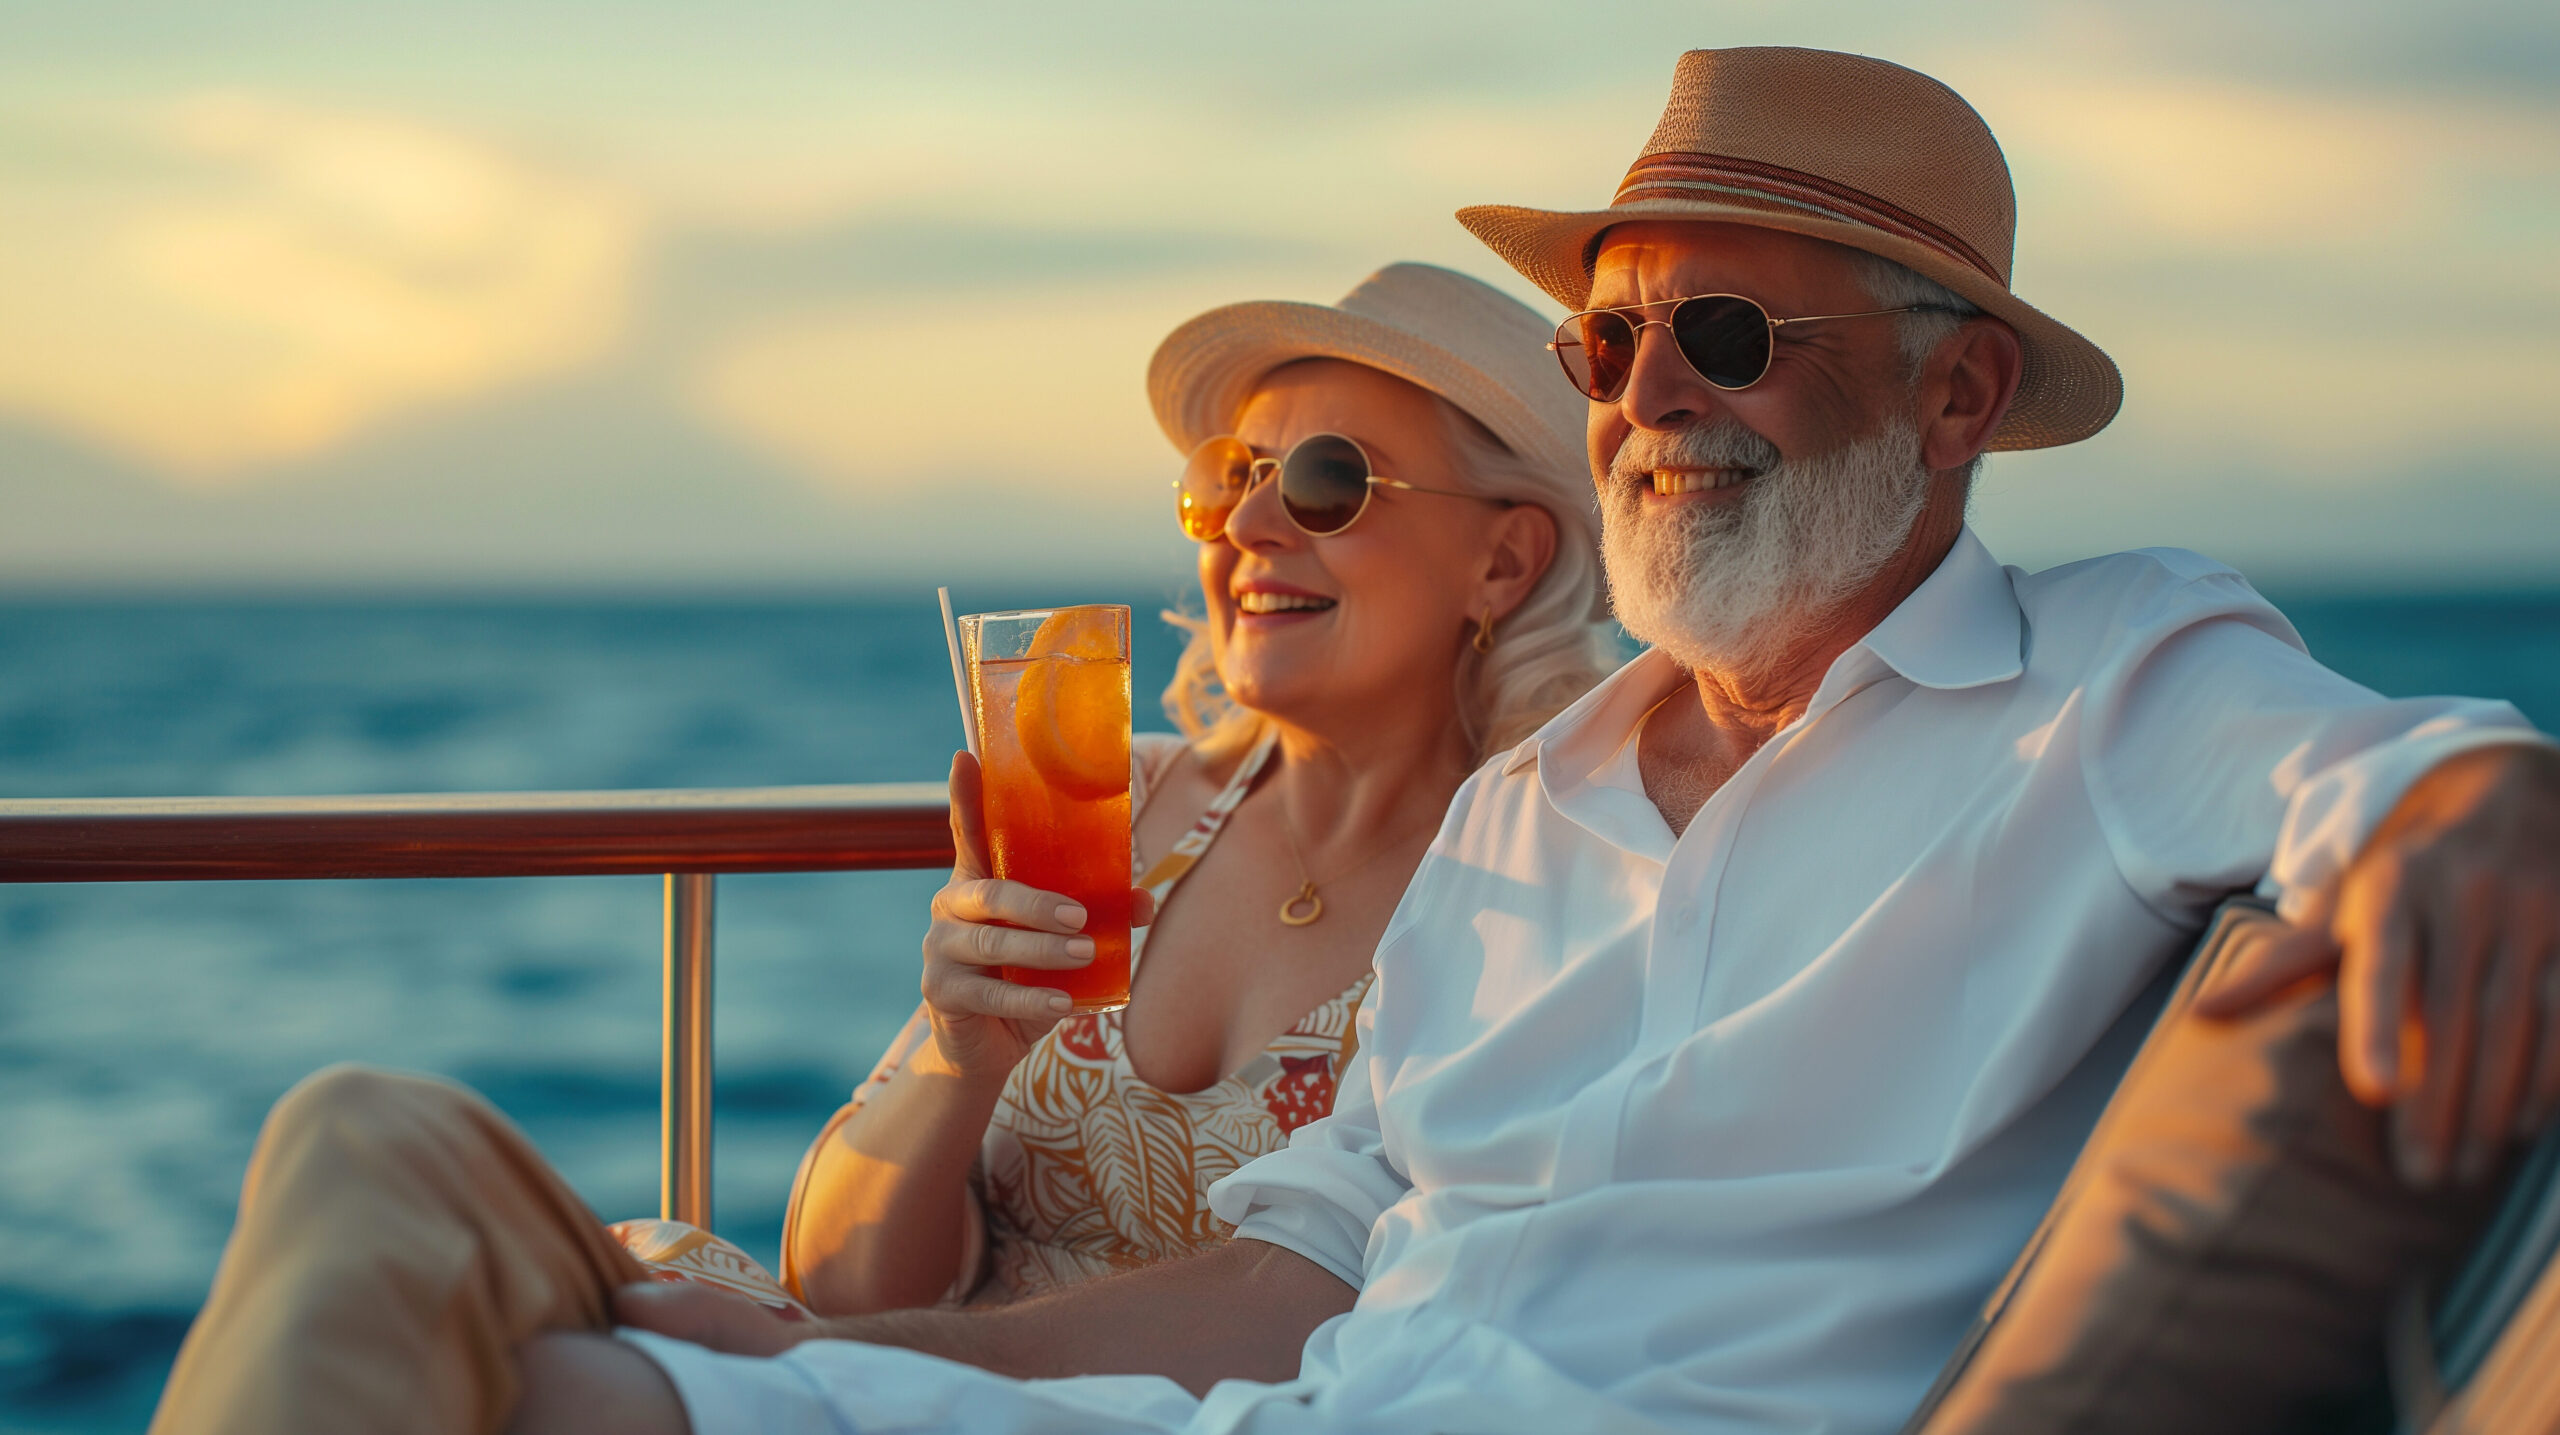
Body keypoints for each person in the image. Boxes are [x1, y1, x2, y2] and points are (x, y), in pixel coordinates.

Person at [536, 46, 2556, 1435]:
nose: (1648, 396)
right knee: (413, 1195)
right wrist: (843, 1358)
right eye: (1609, 340)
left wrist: (2472, 801)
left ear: (1958, 400)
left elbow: (2407, 775)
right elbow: (1309, 1265)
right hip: (1300, 1408)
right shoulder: (1532, 804)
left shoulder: (2106, 679)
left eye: (1730, 338)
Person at [143, 262, 1620, 1435]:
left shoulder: (1533, 889)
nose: (1246, 526)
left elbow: (1329, 1308)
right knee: (359, 1133)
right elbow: (830, 1275)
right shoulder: (1132, 802)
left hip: (964, 1398)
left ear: (1505, 558)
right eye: (1226, 479)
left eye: (1324, 486)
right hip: (858, 1358)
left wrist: (841, 1369)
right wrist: (958, 1051)